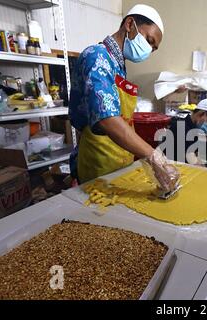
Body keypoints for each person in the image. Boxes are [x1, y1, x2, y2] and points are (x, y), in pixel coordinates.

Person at [69, 4, 179, 193]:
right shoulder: (96, 57)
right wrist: (153, 156)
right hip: (98, 163)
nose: (149, 50)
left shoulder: (118, 65)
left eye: (154, 48)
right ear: (130, 24)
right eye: (149, 40)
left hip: (117, 161)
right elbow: (108, 119)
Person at [166, 99, 207, 164]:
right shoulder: (180, 127)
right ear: (202, 114)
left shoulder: (194, 129)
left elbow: (195, 153)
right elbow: (190, 157)